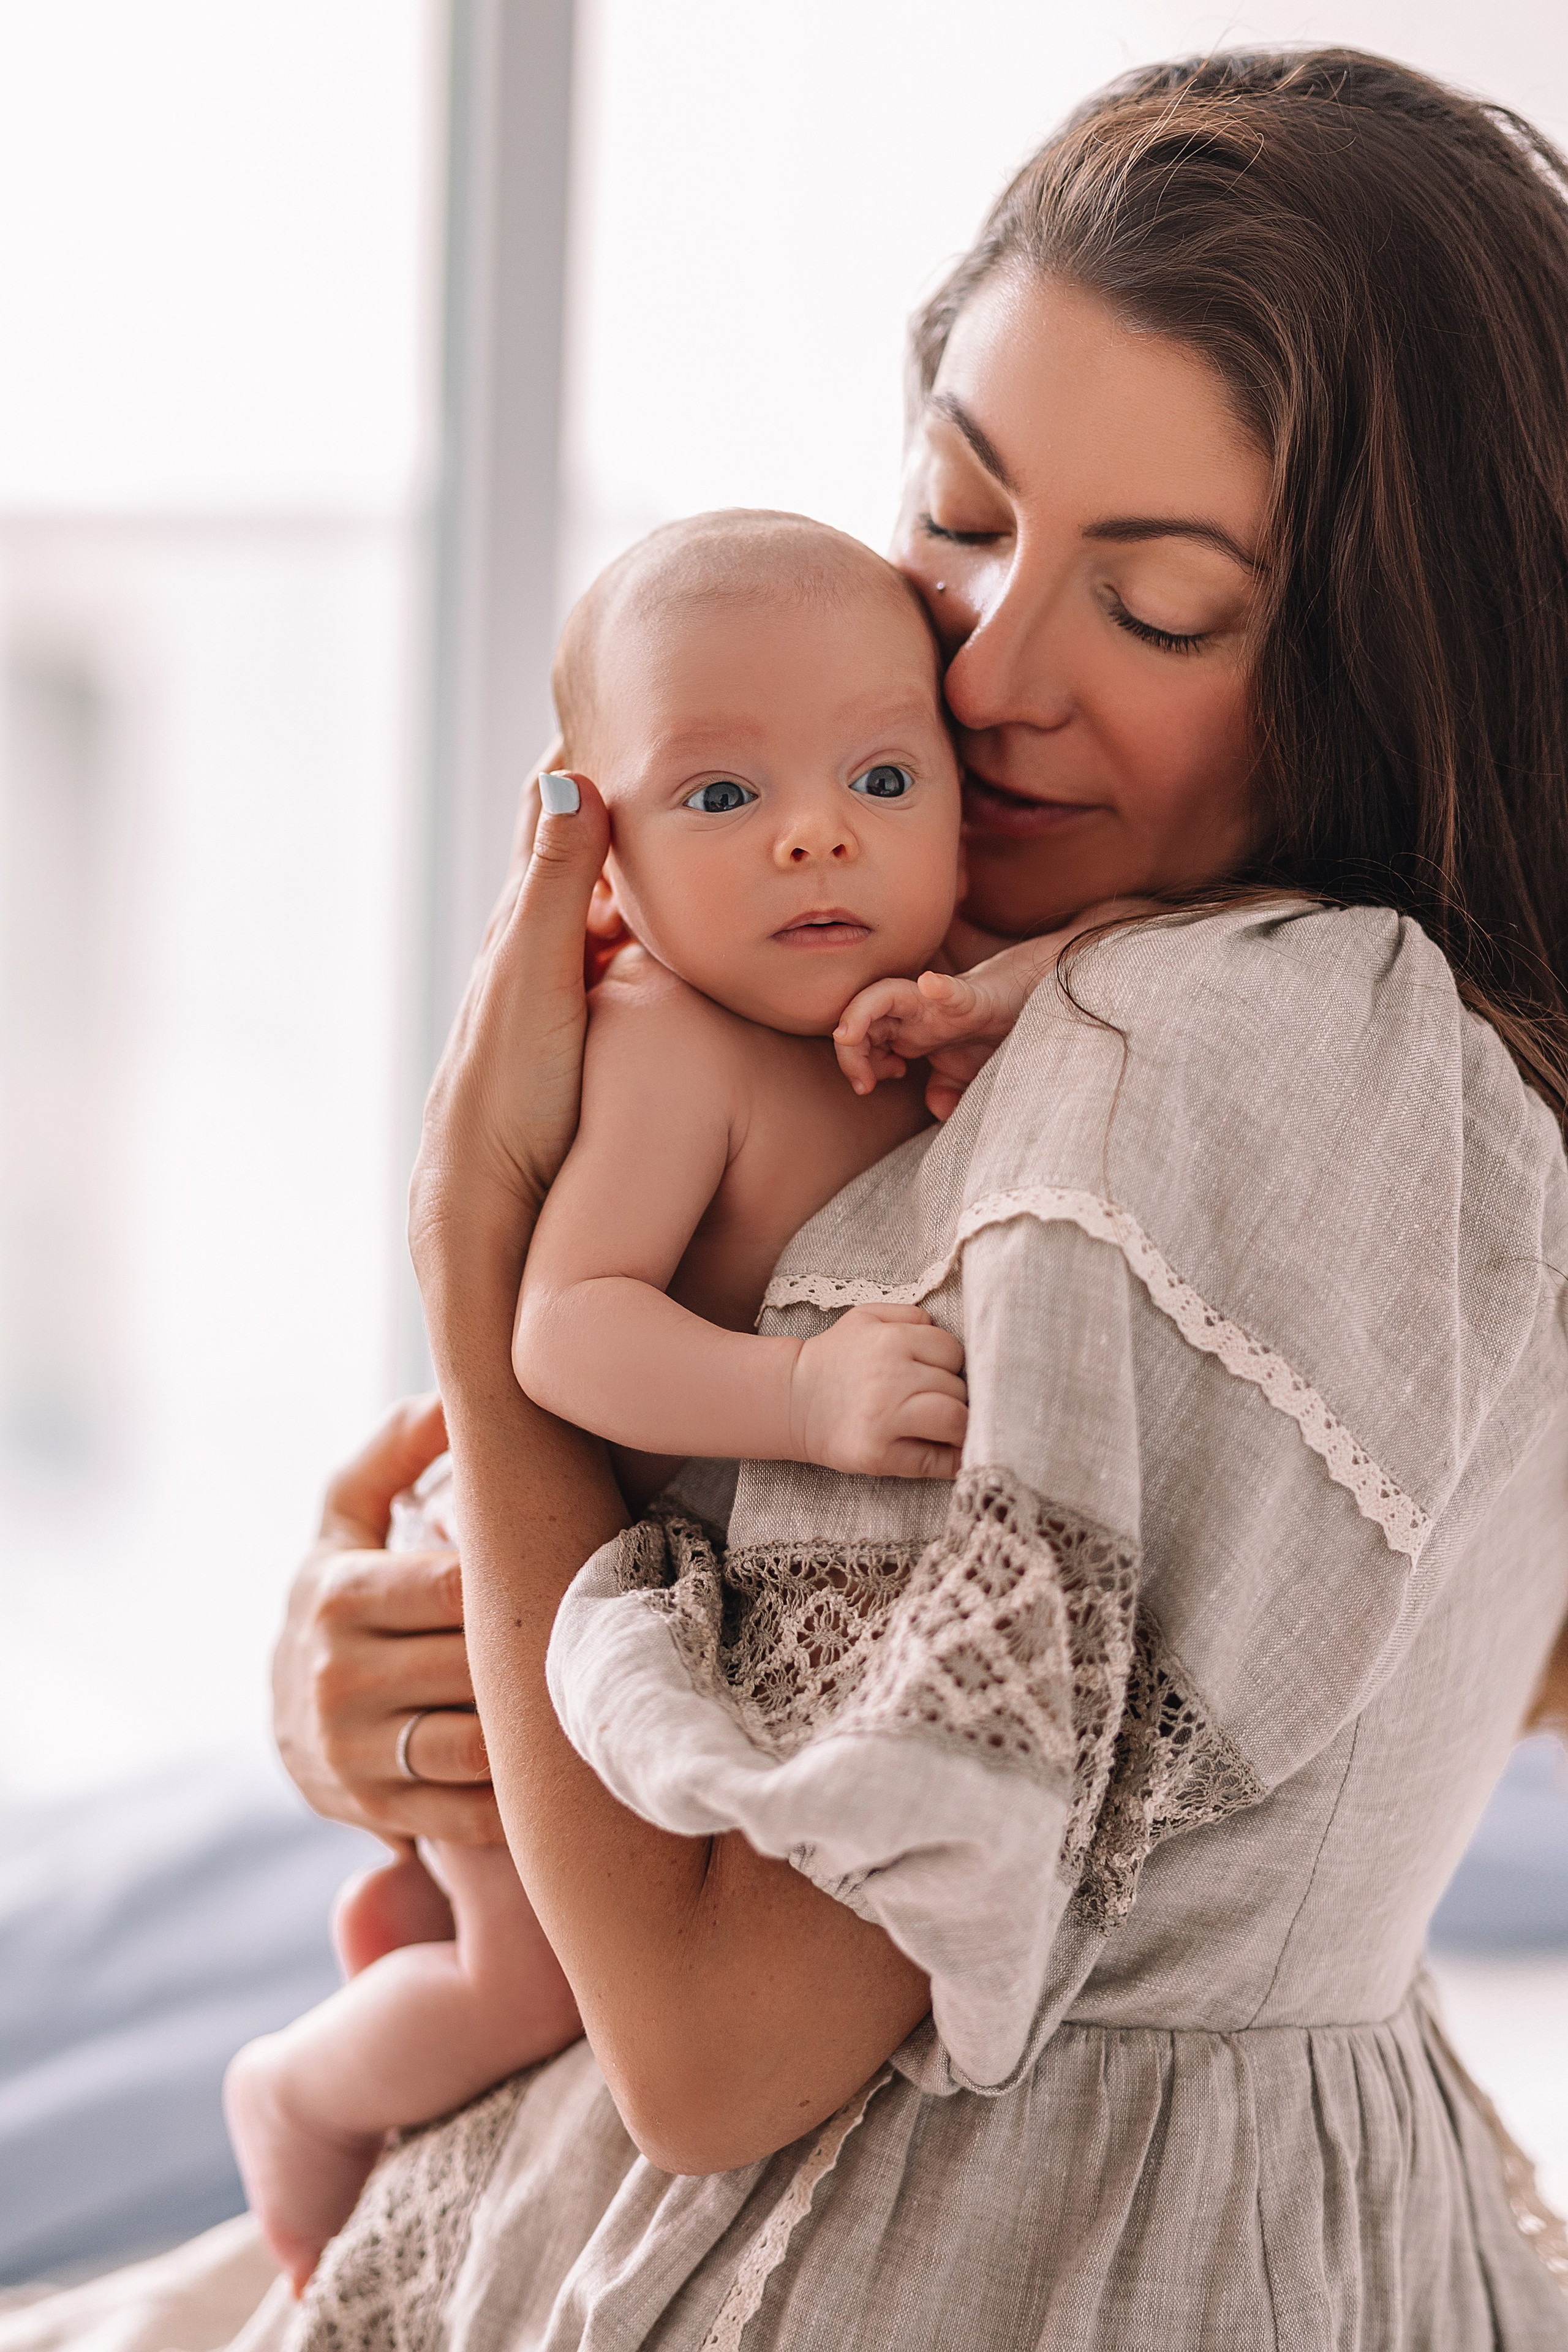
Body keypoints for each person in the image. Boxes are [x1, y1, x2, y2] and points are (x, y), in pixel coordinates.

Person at [9, 43, 1568, 2352]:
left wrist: (476, 1253)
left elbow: (720, 2049)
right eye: (957, 513)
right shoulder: (1050, 1001)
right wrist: (433, 1698)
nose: (989, 669)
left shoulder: (1232, 1049)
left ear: (1389, 663)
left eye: (1158, 610)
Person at [221, 512, 991, 2288]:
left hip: (674, 1584)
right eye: (721, 798)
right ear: (602, 858)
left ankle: (409, 1922)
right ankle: (303, 2094)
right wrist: (802, 1393)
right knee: (538, 1982)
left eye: (884, 773)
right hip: (552, 1574)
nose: (819, 830)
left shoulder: (901, 1005)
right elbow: (562, 1334)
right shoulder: (670, 1039)